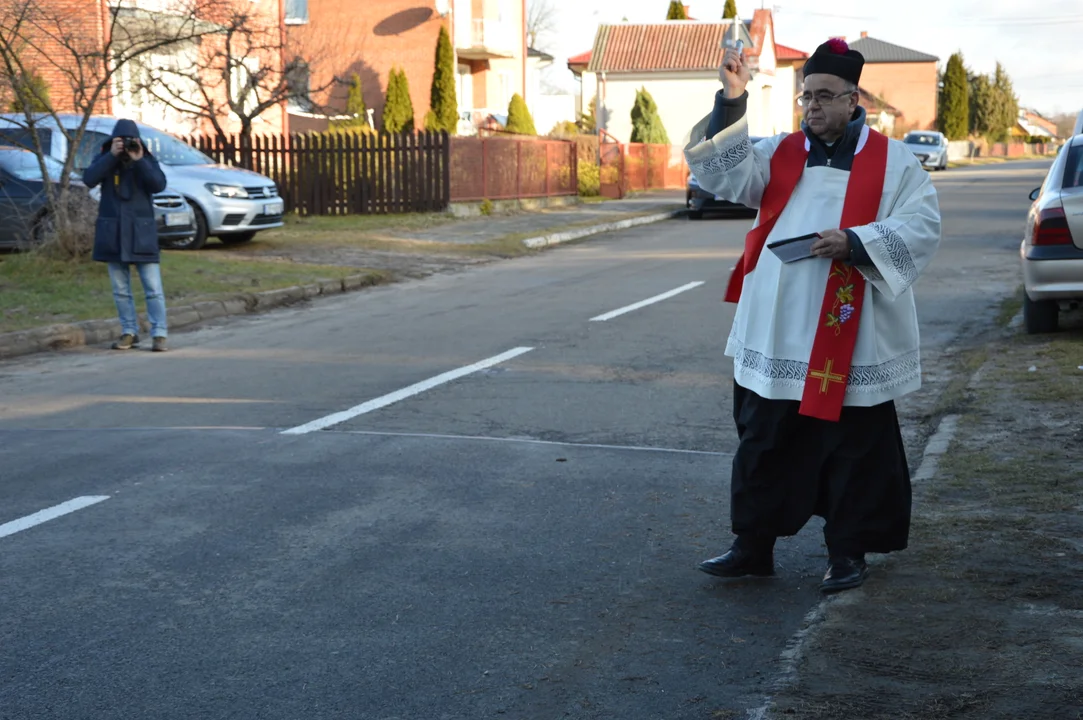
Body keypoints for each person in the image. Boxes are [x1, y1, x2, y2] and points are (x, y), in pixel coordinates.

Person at [685, 38, 941, 593]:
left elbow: (922, 226)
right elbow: (721, 175)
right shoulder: (780, 153)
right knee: (764, 439)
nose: (813, 107)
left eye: (825, 97)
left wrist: (854, 241)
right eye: (807, 97)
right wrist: (732, 98)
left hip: (853, 331)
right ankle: (752, 546)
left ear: (854, 99)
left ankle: (847, 553)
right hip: (778, 326)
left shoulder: (893, 161)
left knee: (852, 447)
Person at [83, 119, 170, 352]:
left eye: (129, 141)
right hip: (113, 232)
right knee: (120, 290)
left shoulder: (146, 159)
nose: (126, 145)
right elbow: (89, 179)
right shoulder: (105, 158)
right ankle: (129, 331)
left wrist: (139, 160)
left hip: (141, 233)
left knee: (153, 289)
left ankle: (159, 334)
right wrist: (111, 156)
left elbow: (158, 184)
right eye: (121, 141)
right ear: (112, 141)